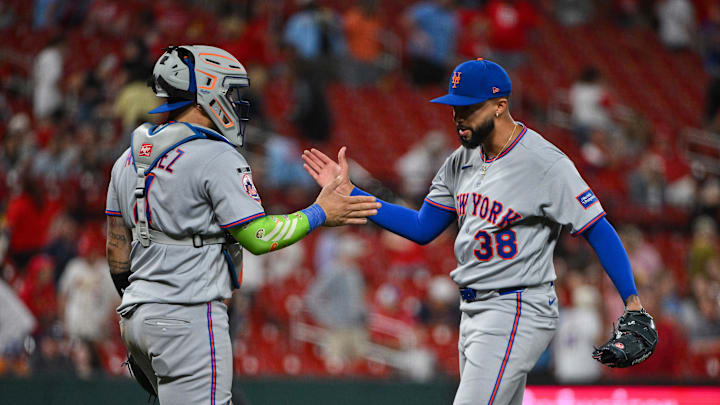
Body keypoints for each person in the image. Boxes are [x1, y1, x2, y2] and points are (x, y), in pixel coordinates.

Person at [302, 58, 656, 404]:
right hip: (472, 311)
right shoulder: (460, 160)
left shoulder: (544, 163)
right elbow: (423, 226)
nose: (458, 118)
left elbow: (598, 228)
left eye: (468, 108)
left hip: (517, 306)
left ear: (500, 106)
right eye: (455, 108)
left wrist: (632, 302)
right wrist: (352, 193)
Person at [105, 45, 379, 404]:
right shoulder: (216, 155)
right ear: (208, 90)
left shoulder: (127, 159)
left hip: (137, 317)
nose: (234, 101)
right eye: (229, 91)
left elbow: (116, 251)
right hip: (187, 314)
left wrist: (146, 312)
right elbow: (259, 236)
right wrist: (320, 212)